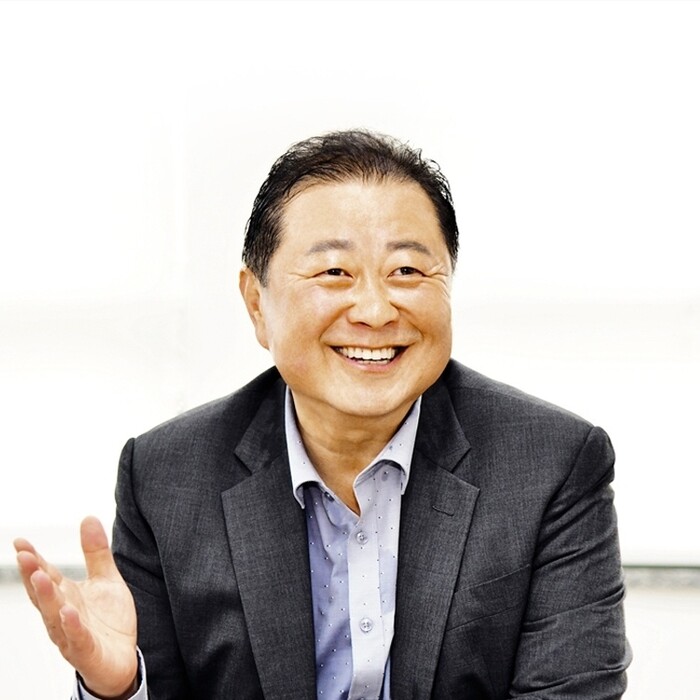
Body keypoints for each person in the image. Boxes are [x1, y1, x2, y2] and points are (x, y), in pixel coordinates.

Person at [14, 130, 631, 699]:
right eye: (335, 272)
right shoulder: (167, 477)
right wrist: (121, 688)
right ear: (257, 305)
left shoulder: (551, 465)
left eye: (407, 271)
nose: (375, 310)